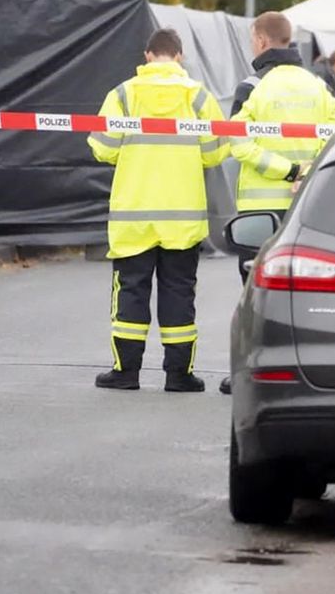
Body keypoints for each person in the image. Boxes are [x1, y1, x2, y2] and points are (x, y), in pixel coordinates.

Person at [87, 28, 229, 393]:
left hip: (134, 215)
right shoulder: (198, 97)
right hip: (182, 218)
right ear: (179, 57)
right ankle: (179, 375)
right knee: (179, 293)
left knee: (131, 291)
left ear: (148, 55)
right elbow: (215, 152)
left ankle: (126, 372)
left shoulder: (123, 94)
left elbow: (102, 147)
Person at [221, 12, 335, 394]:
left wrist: (287, 170)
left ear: (260, 40)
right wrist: (308, 173)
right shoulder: (317, 86)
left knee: (255, 292)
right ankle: (307, 370)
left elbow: (237, 142)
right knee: (306, 286)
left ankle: (249, 372)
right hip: (307, 207)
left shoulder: (252, 86)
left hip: (260, 212)